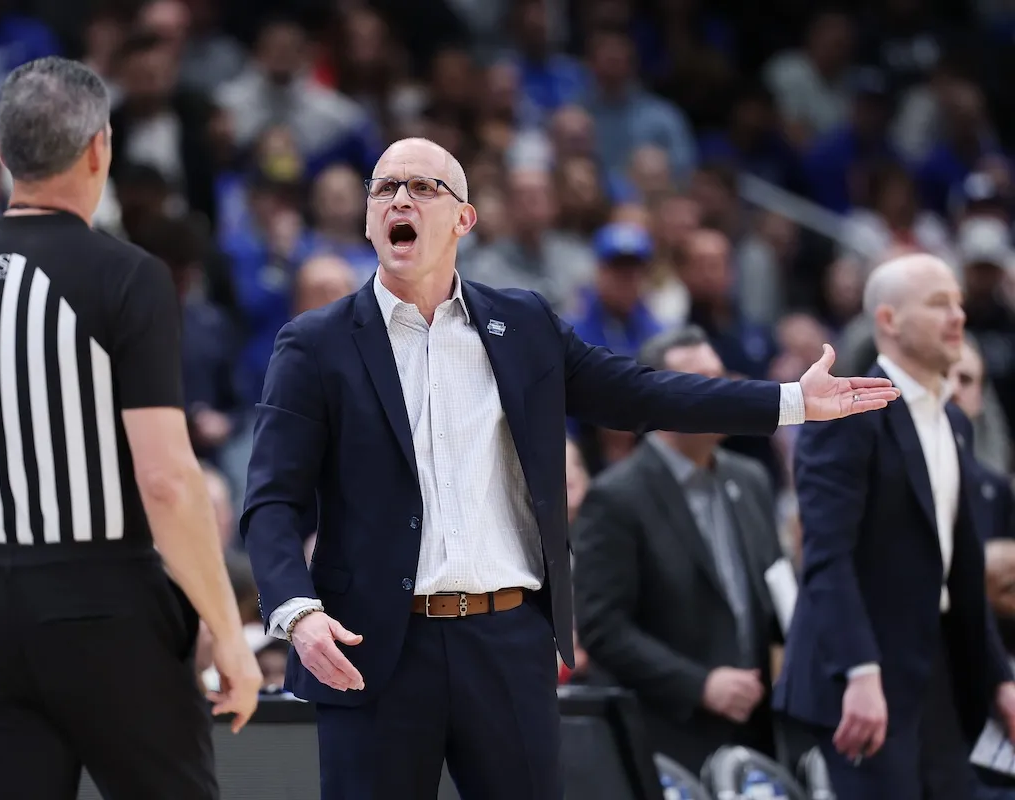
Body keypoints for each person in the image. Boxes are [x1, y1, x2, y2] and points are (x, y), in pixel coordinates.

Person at [240, 136, 897, 800]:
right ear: (368, 219)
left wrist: (790, 401)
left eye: (421, 187)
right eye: (384, 188)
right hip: (372, 645)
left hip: (505, 640)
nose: (399, 200)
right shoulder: (316, 344)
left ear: (464, 219)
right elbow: (271, 501)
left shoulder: (522, 324)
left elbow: (641, 393)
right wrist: (298, 612)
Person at [0, 57, 261, 800]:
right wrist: (229, 635)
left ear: (4, 150)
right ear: (98, 149)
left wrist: (6, 459)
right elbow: (167, 481)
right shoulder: (129, 277)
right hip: (102, 602)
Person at [774, 253, 1015, 800]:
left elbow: (962, 568)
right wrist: (860, 671)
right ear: (888, 320)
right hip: (862, 678)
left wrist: (1000, 677)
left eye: (958, 302)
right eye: (938, 304)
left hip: (937, 672)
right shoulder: (846, 412)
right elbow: (826, 556)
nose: (957, 316)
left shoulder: (954, 421)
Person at [572, 325, 786, 774]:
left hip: (757, 729)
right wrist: (699, 685)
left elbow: (775, 591)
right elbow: (602, 627)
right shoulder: (617, 497)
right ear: (659, 397)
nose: (718, 393)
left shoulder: (750, 480)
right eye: (700, 381)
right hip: (669, 736)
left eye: (720, 378)